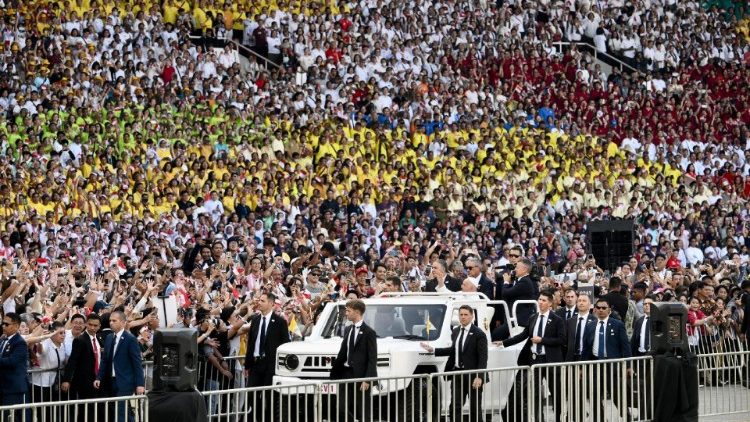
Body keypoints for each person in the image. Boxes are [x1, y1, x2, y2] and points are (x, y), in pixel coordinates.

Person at [499, 291, 565, 422]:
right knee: (533, 393)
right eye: (539, 299)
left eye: (544, 300)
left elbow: (561, 340)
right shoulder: (533, 318)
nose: (540, 302)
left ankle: (560, 418)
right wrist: (504, 342)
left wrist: (542, 340)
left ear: (550, 303)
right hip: (534, 360)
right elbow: (523, 335)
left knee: (556, 392)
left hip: (550, 360)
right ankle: (537, 418)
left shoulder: (557, 320)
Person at [420, 305, 487, 422]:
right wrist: (434, 350)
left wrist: (479, 376)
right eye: (461, 315)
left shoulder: (479, 334)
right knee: (455, 406)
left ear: (472, 316)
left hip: (473, 375)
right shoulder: (455, 331)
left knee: (475, 407)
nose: (463, 317)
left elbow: (483, 357)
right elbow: (453, 350)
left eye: (466, 315)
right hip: (457, 374)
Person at [582, 298, 632, 421]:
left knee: (617, 395)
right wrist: (583, 367)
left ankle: (626, 416)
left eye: (604, 308)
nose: (601, 310)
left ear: (609, 310)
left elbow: (625, 346)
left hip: (612, 366)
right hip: (595, 365)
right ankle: (600, 418)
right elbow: (586, 348)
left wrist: (629, 365)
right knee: (594, 395)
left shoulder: (617, 324)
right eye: (598, 308)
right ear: (594, 309)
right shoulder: (590, 326)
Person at [243, 292, 290, 422]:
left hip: (271, 366)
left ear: (271, 303)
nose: (259, 303)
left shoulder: (280, 322)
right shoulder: (256, 319)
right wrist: (247, 364)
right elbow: (251, 342)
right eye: (259, 300)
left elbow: (285, 344)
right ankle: (258, 418)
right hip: (256, 364)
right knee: (251, 395)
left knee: (270, 397)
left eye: (262, 301)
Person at [331, 299, 378, 422]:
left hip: (361, 376)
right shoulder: (347, 330)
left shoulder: (369, 332)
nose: (346, 313)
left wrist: (367, 379)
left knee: (363, 409)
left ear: (357, 312)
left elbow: (372, 358)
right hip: (345, 374)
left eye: (348, 311)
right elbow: (343, 352)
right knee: (341, 408)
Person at [95, 311, 146, 422]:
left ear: (123, 323)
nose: (111, 323)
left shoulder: (130, 339)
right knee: (120, 411)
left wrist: (140, 384)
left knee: (121, 410)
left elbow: (137, 363)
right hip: (111, 381)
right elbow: (105, 360)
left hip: (125, 381)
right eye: (110, 321)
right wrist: (99, 377)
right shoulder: (109, 338)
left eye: (114, 321)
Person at [62, 314, 103, 422]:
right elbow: (72, 361)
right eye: (90, 325)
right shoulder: (80, 340)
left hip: (97, 379)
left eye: (95, 325)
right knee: (86, 410)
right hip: (84, 381)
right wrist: (66, 380)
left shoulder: (98, 338)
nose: (92, 328)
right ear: (86, 324)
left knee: (95, 409)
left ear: (99, 326)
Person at [30, 321, 68, 420]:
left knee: (52, 409)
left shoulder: (62, 344)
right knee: (42, 411)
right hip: (41, 383)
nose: (63, 335)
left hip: (55, 381)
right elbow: (40, 350)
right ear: (52, 333)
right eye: (60, 333)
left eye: (64, 333)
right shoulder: (46, 342)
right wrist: (40, 341)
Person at [0, 312, 29, 420]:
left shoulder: (19, 342)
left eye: (6, 324)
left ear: (16, 326)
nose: (3, 326)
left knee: (13, 417)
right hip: (4, 387)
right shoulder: (3, 340)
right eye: (3, 323)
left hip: (14, 389)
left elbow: (12, 361)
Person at [630, 295, 655, 420]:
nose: (646, 306)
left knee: (652, 388)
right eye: (645, 304)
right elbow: (635, 340)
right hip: (640, 358)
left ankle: (651, 413)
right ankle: (642, 413)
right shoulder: (639, 321)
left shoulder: (658, 320)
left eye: (649, 304)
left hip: (653, 358)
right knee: (641, 389)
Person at [500, 258, 539, 327]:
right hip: (514, 318)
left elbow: (505, 293)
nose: (515, 269)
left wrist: (506, 282)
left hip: (519, 320)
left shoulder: (524, 282)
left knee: (495, 335)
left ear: (524, 269)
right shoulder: (521, 280)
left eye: (517, 267)